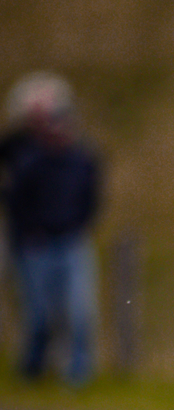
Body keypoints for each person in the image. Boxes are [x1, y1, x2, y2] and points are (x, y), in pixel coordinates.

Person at [1, 72, 103, 384]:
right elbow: (15, 199)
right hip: (36, 243)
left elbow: (92, 197)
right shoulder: (27, 157)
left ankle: (78, 373)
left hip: (71, 239)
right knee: (39, 313)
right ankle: (34, 367)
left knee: (78, 308)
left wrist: (80, 224)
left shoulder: (83, 158)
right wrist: (31, 230)